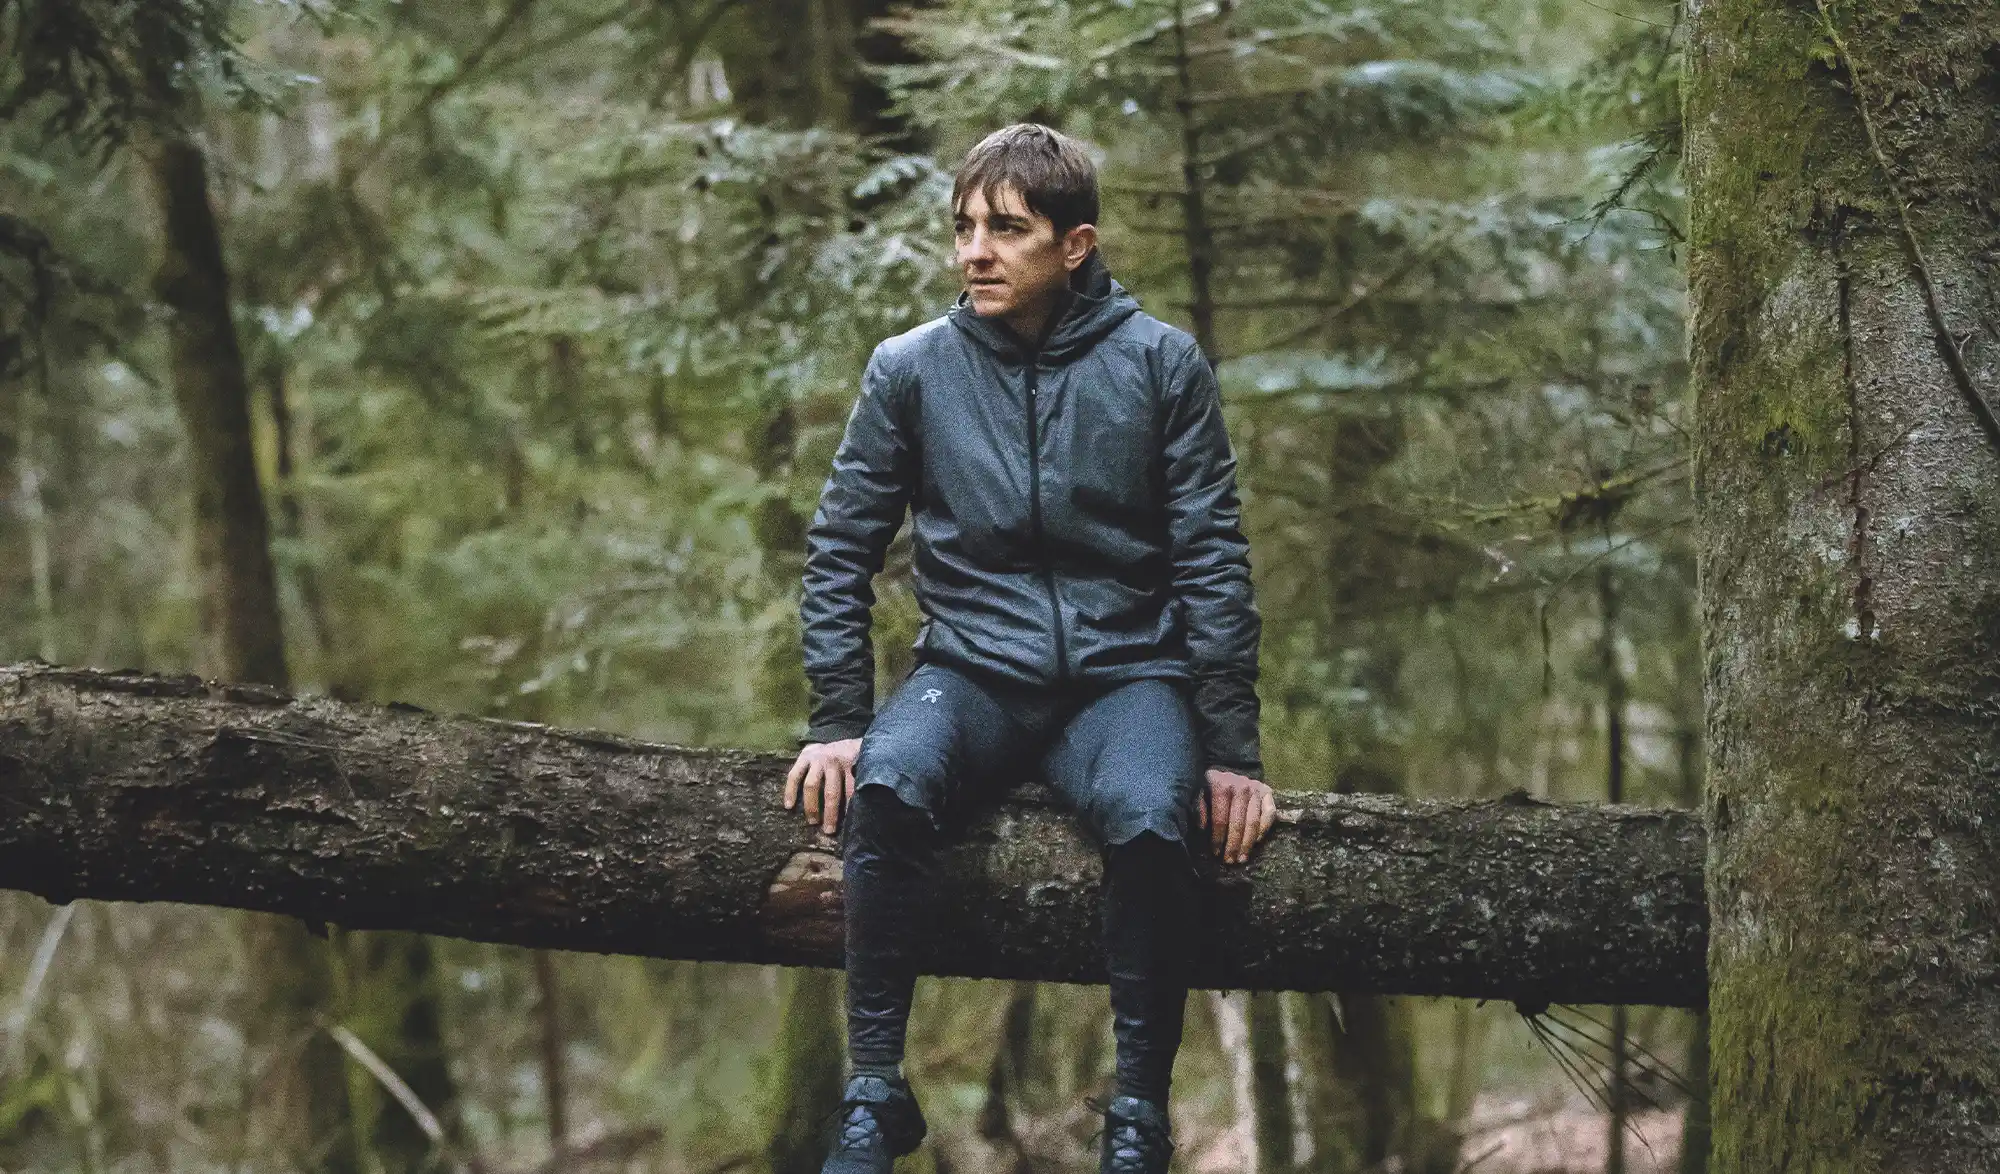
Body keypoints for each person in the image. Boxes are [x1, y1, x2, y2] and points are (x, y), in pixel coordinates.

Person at [783, 123, 1274, 1174]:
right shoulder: (910, 370)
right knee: (886, 782)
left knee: (1150, 819)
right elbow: (838, 549)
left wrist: (1230, 749)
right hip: (969, 674)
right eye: (963, 226)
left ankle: (1137, 1114)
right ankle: (873, 1095)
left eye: (1007, 229)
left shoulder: (1159, 365)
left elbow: (1211, 557)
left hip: (1123, 677)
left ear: (1075, 244)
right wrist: (835, 720)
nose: (975, 250)